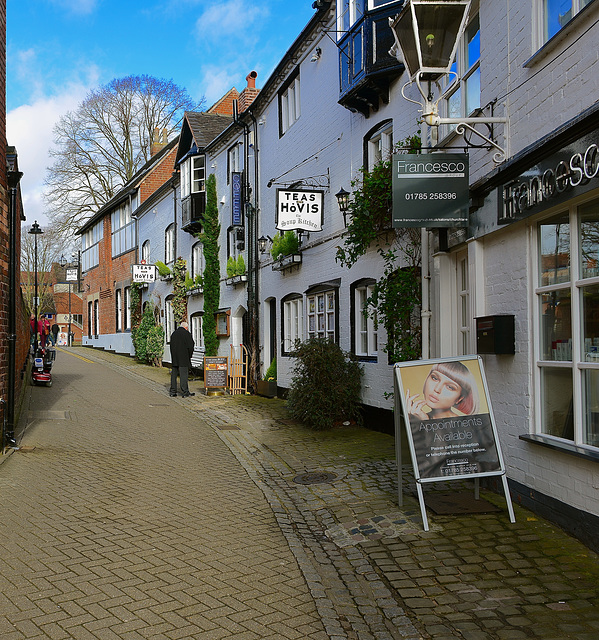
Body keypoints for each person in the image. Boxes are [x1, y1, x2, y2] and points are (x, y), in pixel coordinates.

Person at [406, 361, 479, 421]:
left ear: (459, 399)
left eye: (450, 387)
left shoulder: (465, 425)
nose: (437, 389)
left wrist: (425, 424)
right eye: (435, 378)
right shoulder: (417, 417)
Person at [169, 320, 195, 397]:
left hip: (175, 357)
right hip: (184, 357)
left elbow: (171, 346)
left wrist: (173, 355)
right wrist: (189, 355)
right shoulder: (187, 334)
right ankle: (185, 392)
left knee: (174, 374)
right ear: (186, 327)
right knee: (184, 375)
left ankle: (173, 391)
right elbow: (191, 346)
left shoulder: (174, 334)